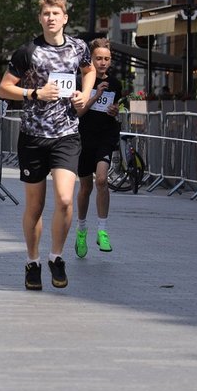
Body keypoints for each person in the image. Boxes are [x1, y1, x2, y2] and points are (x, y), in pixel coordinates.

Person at [0, 0, 95, 291]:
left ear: (65, 18)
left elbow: (88, 70)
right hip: (33, 136)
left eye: (56, 13)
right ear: (40, 19)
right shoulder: (28, 52)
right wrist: (34, 94)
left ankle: (56, 256)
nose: (51, 18)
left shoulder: (79, 47)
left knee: (65, 199)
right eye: (46, 14)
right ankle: (32, 261)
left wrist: (85, 94)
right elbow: (3, 88)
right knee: (36, 205)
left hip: (66, 134)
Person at [75, 38, 123, 257]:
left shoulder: (116, 83)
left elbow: (114, 108)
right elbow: (77, 113)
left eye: (107, 59)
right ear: (90, 59)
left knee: (102, 179)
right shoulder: (81, 81)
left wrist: (114, 111)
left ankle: (102, 230)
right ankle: (82, 229)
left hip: (105, 135)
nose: (103, 63)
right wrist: (95, 96)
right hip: (84, 137)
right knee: (85, 188)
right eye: (98, 59)